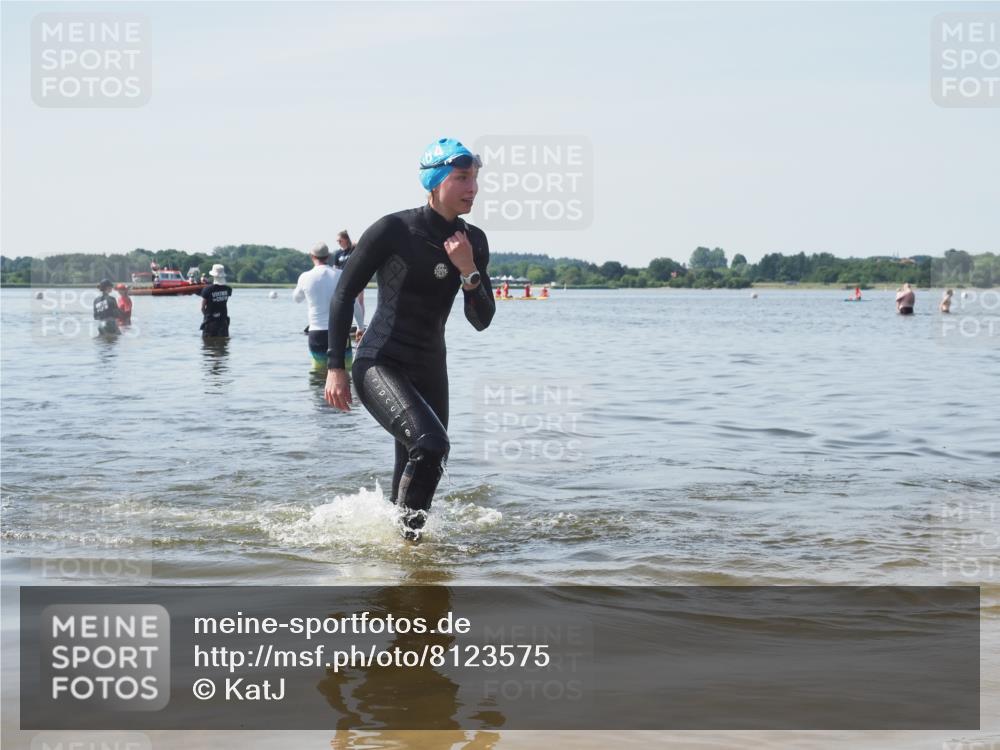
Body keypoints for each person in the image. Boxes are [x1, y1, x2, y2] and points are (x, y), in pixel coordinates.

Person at [324, 137, 495, 540]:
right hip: (381, 362)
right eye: (461, 178)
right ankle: (409, 554)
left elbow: (481, 319)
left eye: (475, 179)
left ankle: (402, 551)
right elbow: (345, 293)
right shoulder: (394, 230)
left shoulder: (474, 242)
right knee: (432, 444)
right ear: (435, 182)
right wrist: (336, 367)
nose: (472, 188)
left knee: (425, 460)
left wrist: (468, 269)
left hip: (430, 368)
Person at [293, 242, 365, 368]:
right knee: (344, 372)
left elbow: (297, 299)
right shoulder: (340, 275)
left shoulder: (305, 277)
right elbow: (353, 303)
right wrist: (360, 327)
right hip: (339, 332)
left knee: (318, 375)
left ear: (312, 256)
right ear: (328, 256)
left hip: (316, 333)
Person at [200, 264, 233, 337]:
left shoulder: (207, 289)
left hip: (210, 323)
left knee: (208, 345)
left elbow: (202, 307)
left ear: (213, 275)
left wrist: (207, 316)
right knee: (223, 346)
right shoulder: (228, 289)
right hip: (223, 322)